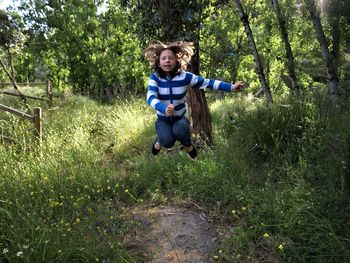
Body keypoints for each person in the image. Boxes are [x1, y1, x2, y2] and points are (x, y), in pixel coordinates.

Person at [144, 40, 244, 159]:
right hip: (163, 119)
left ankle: (187, 146)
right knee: (167, 141)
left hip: (179, 118)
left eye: (170, 58)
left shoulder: (185, 77)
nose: (167, 60)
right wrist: (163, 108)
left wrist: (231, 87)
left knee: (180, 130)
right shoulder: (155, 78)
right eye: (164, 58)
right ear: (159, 63)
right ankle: (160, 141)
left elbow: (208, 83)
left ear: (176, 61)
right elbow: (150, 97)